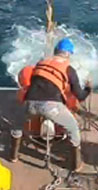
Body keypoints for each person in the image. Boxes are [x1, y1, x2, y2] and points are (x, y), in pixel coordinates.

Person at [17, 38, 92, 170]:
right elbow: (80, 96)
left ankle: (13, 155)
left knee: (16, 125)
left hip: (29, 103)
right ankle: (76, 164)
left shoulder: (41, 63)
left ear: (56, 51)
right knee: (73, 129)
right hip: (51, 107)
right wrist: (88, 89)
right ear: (68, 54)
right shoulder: (69, 69)